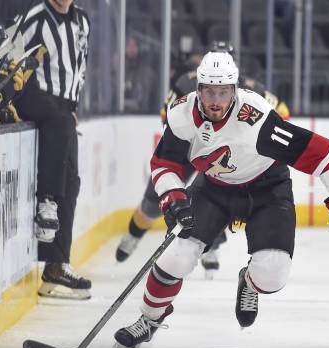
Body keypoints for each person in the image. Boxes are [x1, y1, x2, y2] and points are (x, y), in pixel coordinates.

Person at [112, 51, 329, 348]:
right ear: (198, 90)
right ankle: (149, 320)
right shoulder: (182, 116)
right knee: (176, 256)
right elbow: (164, 164)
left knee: (272, 275)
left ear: (234, 90)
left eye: (223, 92)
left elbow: (323, 152)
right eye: (209, 90)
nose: (216, 100)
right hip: (213, 189)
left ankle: (248, 282)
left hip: (268, 189)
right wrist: (173, 196)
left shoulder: (256, 118)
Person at [115, 44, 291, 281]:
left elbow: (282, 113)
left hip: (223, 155)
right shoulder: (187, 83)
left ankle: (209, 246)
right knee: (152, 204)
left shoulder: (250, 90)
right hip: (189, 148)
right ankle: (133, 235)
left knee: (213, 197)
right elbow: (166, 115)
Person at [14, 0, 91, 300]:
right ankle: (45, 202)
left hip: (64, 108)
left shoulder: (82, 21)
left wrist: (73, 106)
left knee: (71, 182)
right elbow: (12, 62)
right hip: (33, 97)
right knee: (60, 123)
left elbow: (81, 66)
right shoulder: (36, 17)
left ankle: (55, 269)